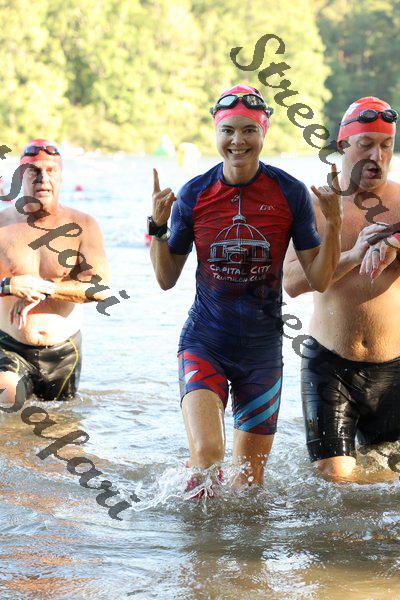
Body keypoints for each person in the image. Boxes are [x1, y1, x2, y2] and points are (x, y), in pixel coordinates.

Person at [149, 85, 342, 487]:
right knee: (207, 454)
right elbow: (166, 280)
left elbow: (320, 279)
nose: (238, 140)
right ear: (216, 133)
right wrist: (158, 227)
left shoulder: (290, 192)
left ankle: (227, 530)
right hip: (205, 341)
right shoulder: (195, 193)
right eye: (228, 130)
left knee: (248, 484)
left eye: (249, 130)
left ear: (263, 132)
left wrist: (335, 223)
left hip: (262, 353)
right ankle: (191, 526)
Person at [283, 97, 400, 481]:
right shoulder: (316, 205)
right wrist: (352, 255)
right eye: (366, 144)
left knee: (388, 486)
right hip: (329, 366)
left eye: (386, 145)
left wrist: (395, 242)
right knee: (333, 482)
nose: (377, 156)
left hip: (395, 368)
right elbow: (292, 283)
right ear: (342, 145)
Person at [0, 138, 109, 410]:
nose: (43, 179)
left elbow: (100, 288)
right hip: (10, 348)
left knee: (63, 427)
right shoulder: (2, 225)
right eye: (34, 171)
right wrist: (10, 285)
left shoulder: (84, 225)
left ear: (61, 176)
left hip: (64, 354)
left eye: (51, 171)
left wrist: (44, 287)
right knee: (9, 407)